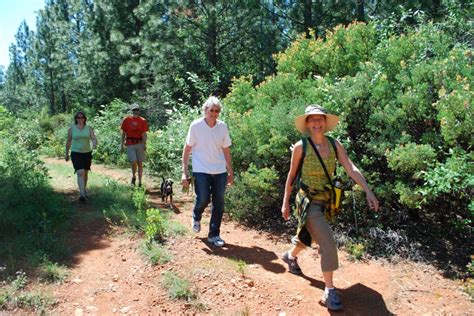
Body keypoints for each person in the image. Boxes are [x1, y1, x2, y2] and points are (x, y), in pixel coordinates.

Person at [280, 105, 379, 311]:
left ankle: (290, 256)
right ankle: (330, 291)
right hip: (308, 202)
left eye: (320, 119)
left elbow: (350, 167)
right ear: (307, 124)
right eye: (312, 120)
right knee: (328, 242)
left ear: (325, 122)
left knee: (312, 236)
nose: (317, 123)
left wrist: (368, 190)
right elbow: (291, 175)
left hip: (327, 201)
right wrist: (285, 201)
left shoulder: (335, 144)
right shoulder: (301, 147)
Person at [181, 96, 234, 247]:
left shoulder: (222, 127)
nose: (214, 113)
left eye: (217, 111)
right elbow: (187, 149)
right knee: (203, 198)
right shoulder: (195, 126)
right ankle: (196, 215)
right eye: (212, 110)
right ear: (205, 110)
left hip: (219, 170)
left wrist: (230, 171)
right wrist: (184, 172)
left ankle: (214, 234)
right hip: (201, 169)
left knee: (219, 203)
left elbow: (226, 150)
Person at [65, 111, 97, 202]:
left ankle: (84, 190)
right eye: (78, 118)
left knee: (85, 172)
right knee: (80, 172)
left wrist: (94, 143)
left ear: (84, 119)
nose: (80, 119)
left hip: (87, 153)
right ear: (76, 119)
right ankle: (82, 194)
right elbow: (68, 141)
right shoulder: (71, 129)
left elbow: (93, 138)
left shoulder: (89, 128)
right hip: (76, 153)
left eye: (82, 117)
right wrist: (66, 153)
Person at [121, 103, 149, 187]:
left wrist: (145, 144)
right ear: (132, 111)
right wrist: (121, 144)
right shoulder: (127, 120)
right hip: (130, 143)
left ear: (139, 111)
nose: (135, 111)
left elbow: (144, 134)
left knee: (140, 163)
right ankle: (133, 176)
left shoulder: (143, 121)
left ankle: (140, 182)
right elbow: (123, 133)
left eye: (137, 110)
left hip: (140, 143)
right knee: (133, 161)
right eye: (134, 110)